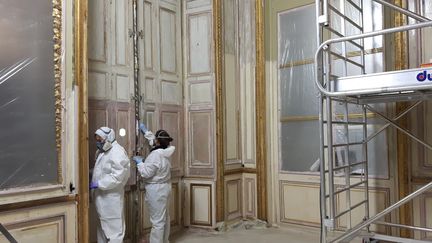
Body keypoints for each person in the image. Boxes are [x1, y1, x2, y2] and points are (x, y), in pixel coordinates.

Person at [133, 124, 175, 243]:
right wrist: (147, 133)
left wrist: (140, 163)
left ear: (157, 141)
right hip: (165, 187)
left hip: (156, 190)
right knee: (164, 218)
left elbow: (146, 173)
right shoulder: (166, 151)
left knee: (157, 222)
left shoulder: (155, 156)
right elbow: (154, 143)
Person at [90, 126, 130, 243]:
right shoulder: (103, 151)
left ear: (109, 138)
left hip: (111, 199)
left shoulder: (117, 152)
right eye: (96, 139)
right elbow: (102, 170)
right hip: (101, 198)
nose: (98, 142)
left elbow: (117, 176)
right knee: (102, 230)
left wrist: (99, 183)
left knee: (114, 233)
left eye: (100, 139)